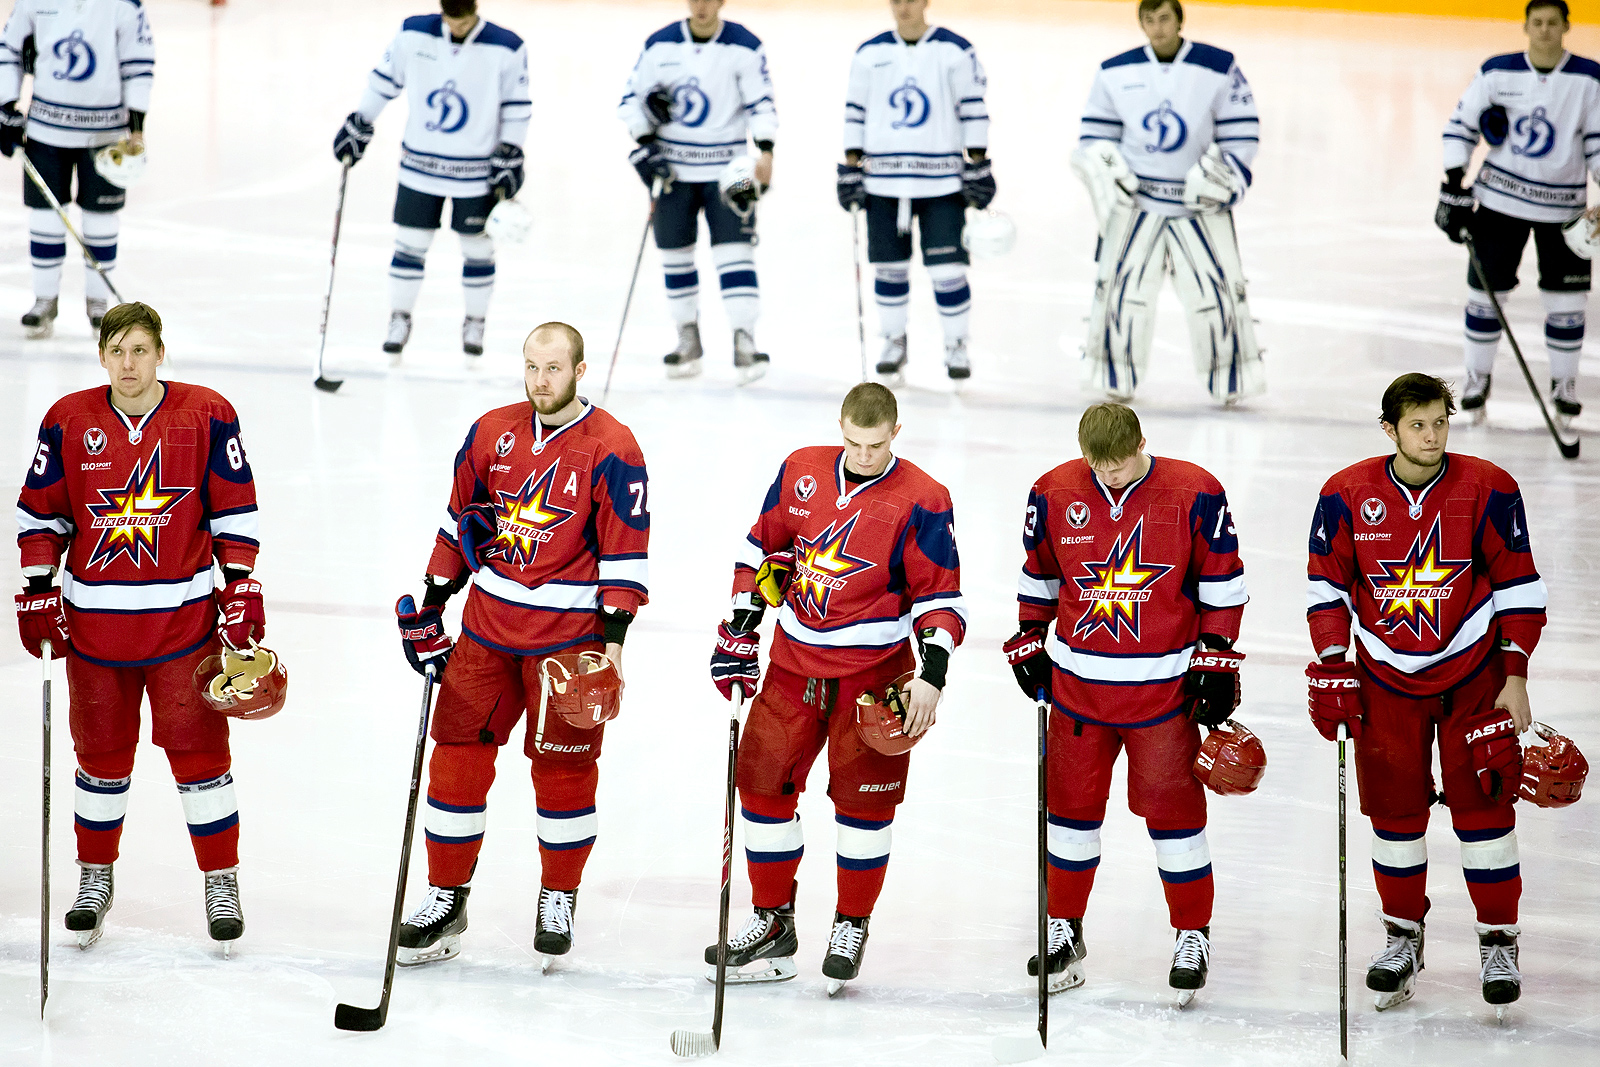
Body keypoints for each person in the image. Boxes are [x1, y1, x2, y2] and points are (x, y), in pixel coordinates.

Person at [391, 322, 650, 969]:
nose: (540, 380)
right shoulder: (491, 431)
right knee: (456, 758)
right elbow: (458, 524)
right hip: (486, 632)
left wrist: (614, 646)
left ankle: (558, 895)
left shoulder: (613, 448)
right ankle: (446, 896)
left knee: (563, 771)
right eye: (532, 366)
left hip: (567, 643)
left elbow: (625, 554)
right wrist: (432, 603)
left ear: (580, 371)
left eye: (553, 368)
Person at [15, 302, 264, 950]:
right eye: (117, 351)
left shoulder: (206, 414)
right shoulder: (68, 421)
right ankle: (94, 879)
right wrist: (39, 588)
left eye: (140, 350)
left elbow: (234, 508)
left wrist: (240, 584)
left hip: (183, 629)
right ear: (101, 355)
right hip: (95, 632)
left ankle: (221, 880)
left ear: (160, 353)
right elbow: (41, 515)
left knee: (200, 756)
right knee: (99, 758)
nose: (129, 364)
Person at [706, 382, 964, 991]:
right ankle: (773, 922)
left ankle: (851, 922)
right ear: (840, 428)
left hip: (873, 678)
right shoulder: (801, 469)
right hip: (792, 666)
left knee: (863, 804)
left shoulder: (924, 499)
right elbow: (760, 549)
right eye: (853, 443)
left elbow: (940, 596)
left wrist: (932, 675)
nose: (863, 456)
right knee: (761, 787)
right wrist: (741, 626)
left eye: (875, 445)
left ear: (895, 433)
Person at [1305, 373, 1547, 1012]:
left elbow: (1519, 586)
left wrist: (1515, 675)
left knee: (1485, 813)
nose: (1433, 436)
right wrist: (1332, 664)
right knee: (1395, 817)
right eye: (1417, 425)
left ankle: (1499, 941)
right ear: (1390, 429)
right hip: (1384, 684)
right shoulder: (1345, 494)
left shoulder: (1489, 488)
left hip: (1475, 679)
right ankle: (1402, 938)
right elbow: (1326, 586)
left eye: (1440, 421)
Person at [1002, 402, 1248, 1002]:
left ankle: (1192, 932)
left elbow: (1222, 582)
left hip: (1163, 695)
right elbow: (1040, 575)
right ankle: (1064, 928)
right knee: (1069, 815)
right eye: (1098, 466)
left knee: (1175, 819)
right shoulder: (1053, 491)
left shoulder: (1195, 492)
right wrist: (1029, 637)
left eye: (1117, 464)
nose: (1108, 475)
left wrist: (1217, 655)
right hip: (1078, 693)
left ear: (1142, 442)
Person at [1072, 0, 1262, 404]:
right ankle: (1115, 375)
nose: (1157, 27)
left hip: (1199, 207)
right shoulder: (1115, 70)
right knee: (1123, 294)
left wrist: (1225, 178)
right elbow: (1095, 136)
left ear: (1179, 20)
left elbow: (1241, 131)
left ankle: (1230, 380)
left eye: (1164, 19)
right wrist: (1108, 171)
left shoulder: (1219, 66)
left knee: (1215, 295)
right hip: (1137, 204)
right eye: (1149, 20)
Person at [332, 0, 530, 358]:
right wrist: (361, 120)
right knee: (410, 244)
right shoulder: (413, 33)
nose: (457, 28)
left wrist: (511, 150)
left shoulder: (507, 46)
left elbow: (516, 106)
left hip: (476, 173)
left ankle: (475, 321)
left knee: (478, 250)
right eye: (452, 21)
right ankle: (399, 317)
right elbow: (384, 81)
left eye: (464, 22)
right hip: (419, 167)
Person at [1437, 0, 1598, 423]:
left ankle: (1564, 385)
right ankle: (1476, 378)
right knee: (1483, 296)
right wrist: (1453, 182)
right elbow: (1461, 125)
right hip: (1498, 203)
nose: (1544, 30)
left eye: (1552, 23)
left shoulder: (1590, 79)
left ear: (1566, 26)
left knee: (1568, 303)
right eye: (1537, 22)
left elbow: (1598, 142)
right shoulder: (1497, 71)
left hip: (1563, 209)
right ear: (1525, 27)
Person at [619, 0, 777, 383]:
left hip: (732, 168)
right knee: (674, 255)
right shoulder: (659, 44)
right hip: (672, 170)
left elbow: (761, 103)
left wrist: (766, 150)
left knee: (736, 253)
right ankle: (686, 336)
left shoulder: (745, 45)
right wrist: (645, 138)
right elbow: (630, 101)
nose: (702, 5)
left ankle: (744, 338)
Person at [837, 0, 991, 383]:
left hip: (942, 183)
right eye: (897, 0)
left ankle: (956, 344)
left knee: (948, 269)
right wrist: (851, 166)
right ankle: (894, 340)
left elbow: (973, 108)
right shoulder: (869, 53)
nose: (904, 7)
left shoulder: (956, 50)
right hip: (883, 183)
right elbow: (855, 111)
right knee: (889, 268)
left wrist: (977, 162)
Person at [0, 0, 154, 337]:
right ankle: (45, 299)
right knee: (44, 217)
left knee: (101, 219)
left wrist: (137, 127)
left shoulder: (124, 5)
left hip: (106, 134)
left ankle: (99, 303)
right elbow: (9, 48)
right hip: (45, 131)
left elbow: (138, 62)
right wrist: (5, 104)